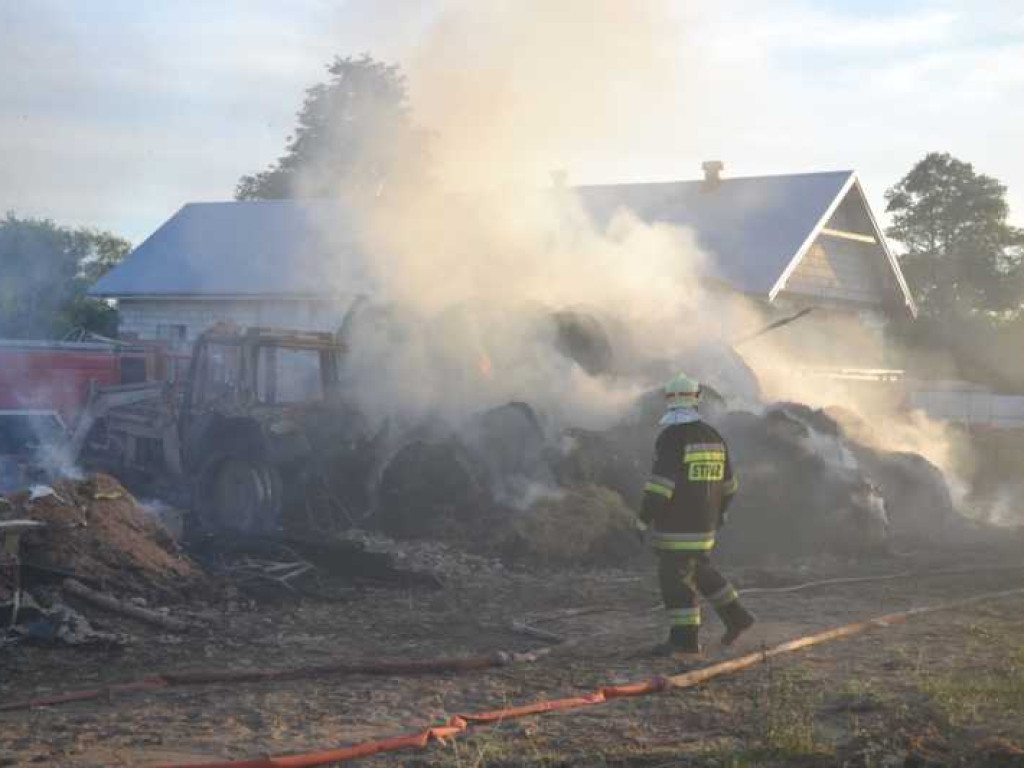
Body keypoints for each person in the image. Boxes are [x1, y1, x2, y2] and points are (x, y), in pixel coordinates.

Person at [638, 372, 755, 660]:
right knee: (701, 570)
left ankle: (685, 642)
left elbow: (660, 486)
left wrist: (642, 518)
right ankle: (737, 617)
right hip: (705, 526)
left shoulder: (671, 437)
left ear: (668, 401)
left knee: (675, 579)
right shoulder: (714, 436)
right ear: (697, 400)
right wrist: (721, 513)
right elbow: (731, 485)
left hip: (677, 526)